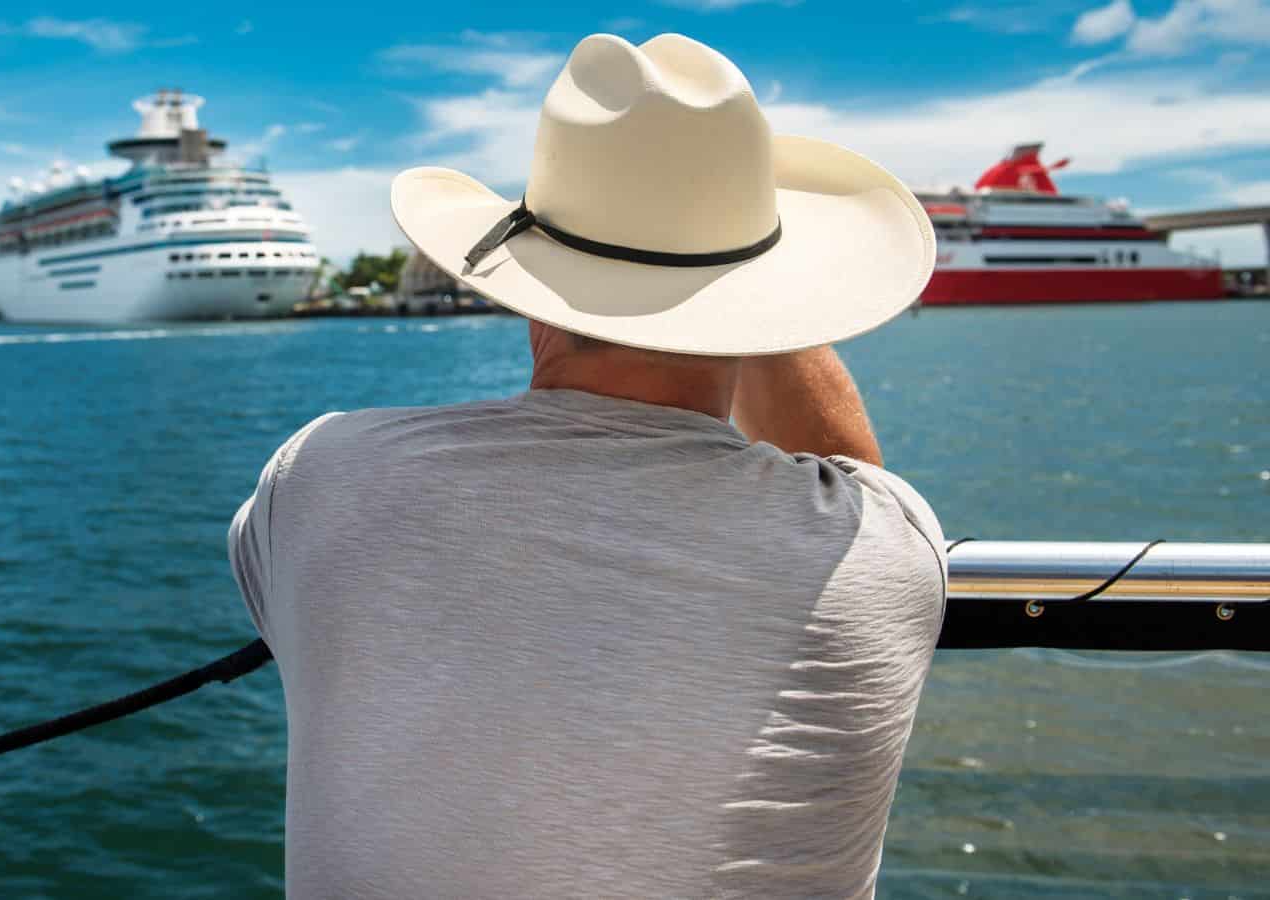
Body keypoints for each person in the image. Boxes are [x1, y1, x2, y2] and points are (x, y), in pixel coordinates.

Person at [230, 32, 945, 899]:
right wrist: (737, 274)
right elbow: (846, 472)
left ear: (527, 279)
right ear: (770, 301)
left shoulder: (318, 476)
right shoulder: (885, 549)